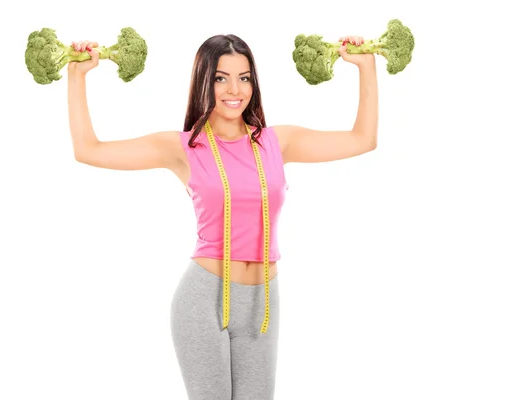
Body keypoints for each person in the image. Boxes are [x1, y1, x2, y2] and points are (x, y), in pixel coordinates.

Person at [67, 32, 377, 400]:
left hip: (263, 301)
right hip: (204, 299)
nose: (235, 89)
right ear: (204, 81)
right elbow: (89, 150)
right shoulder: (183, 147)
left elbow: (363, 139)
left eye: (244, 77)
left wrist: (366, 67)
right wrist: (77, 76)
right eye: (220, 78)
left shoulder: (277, 142)